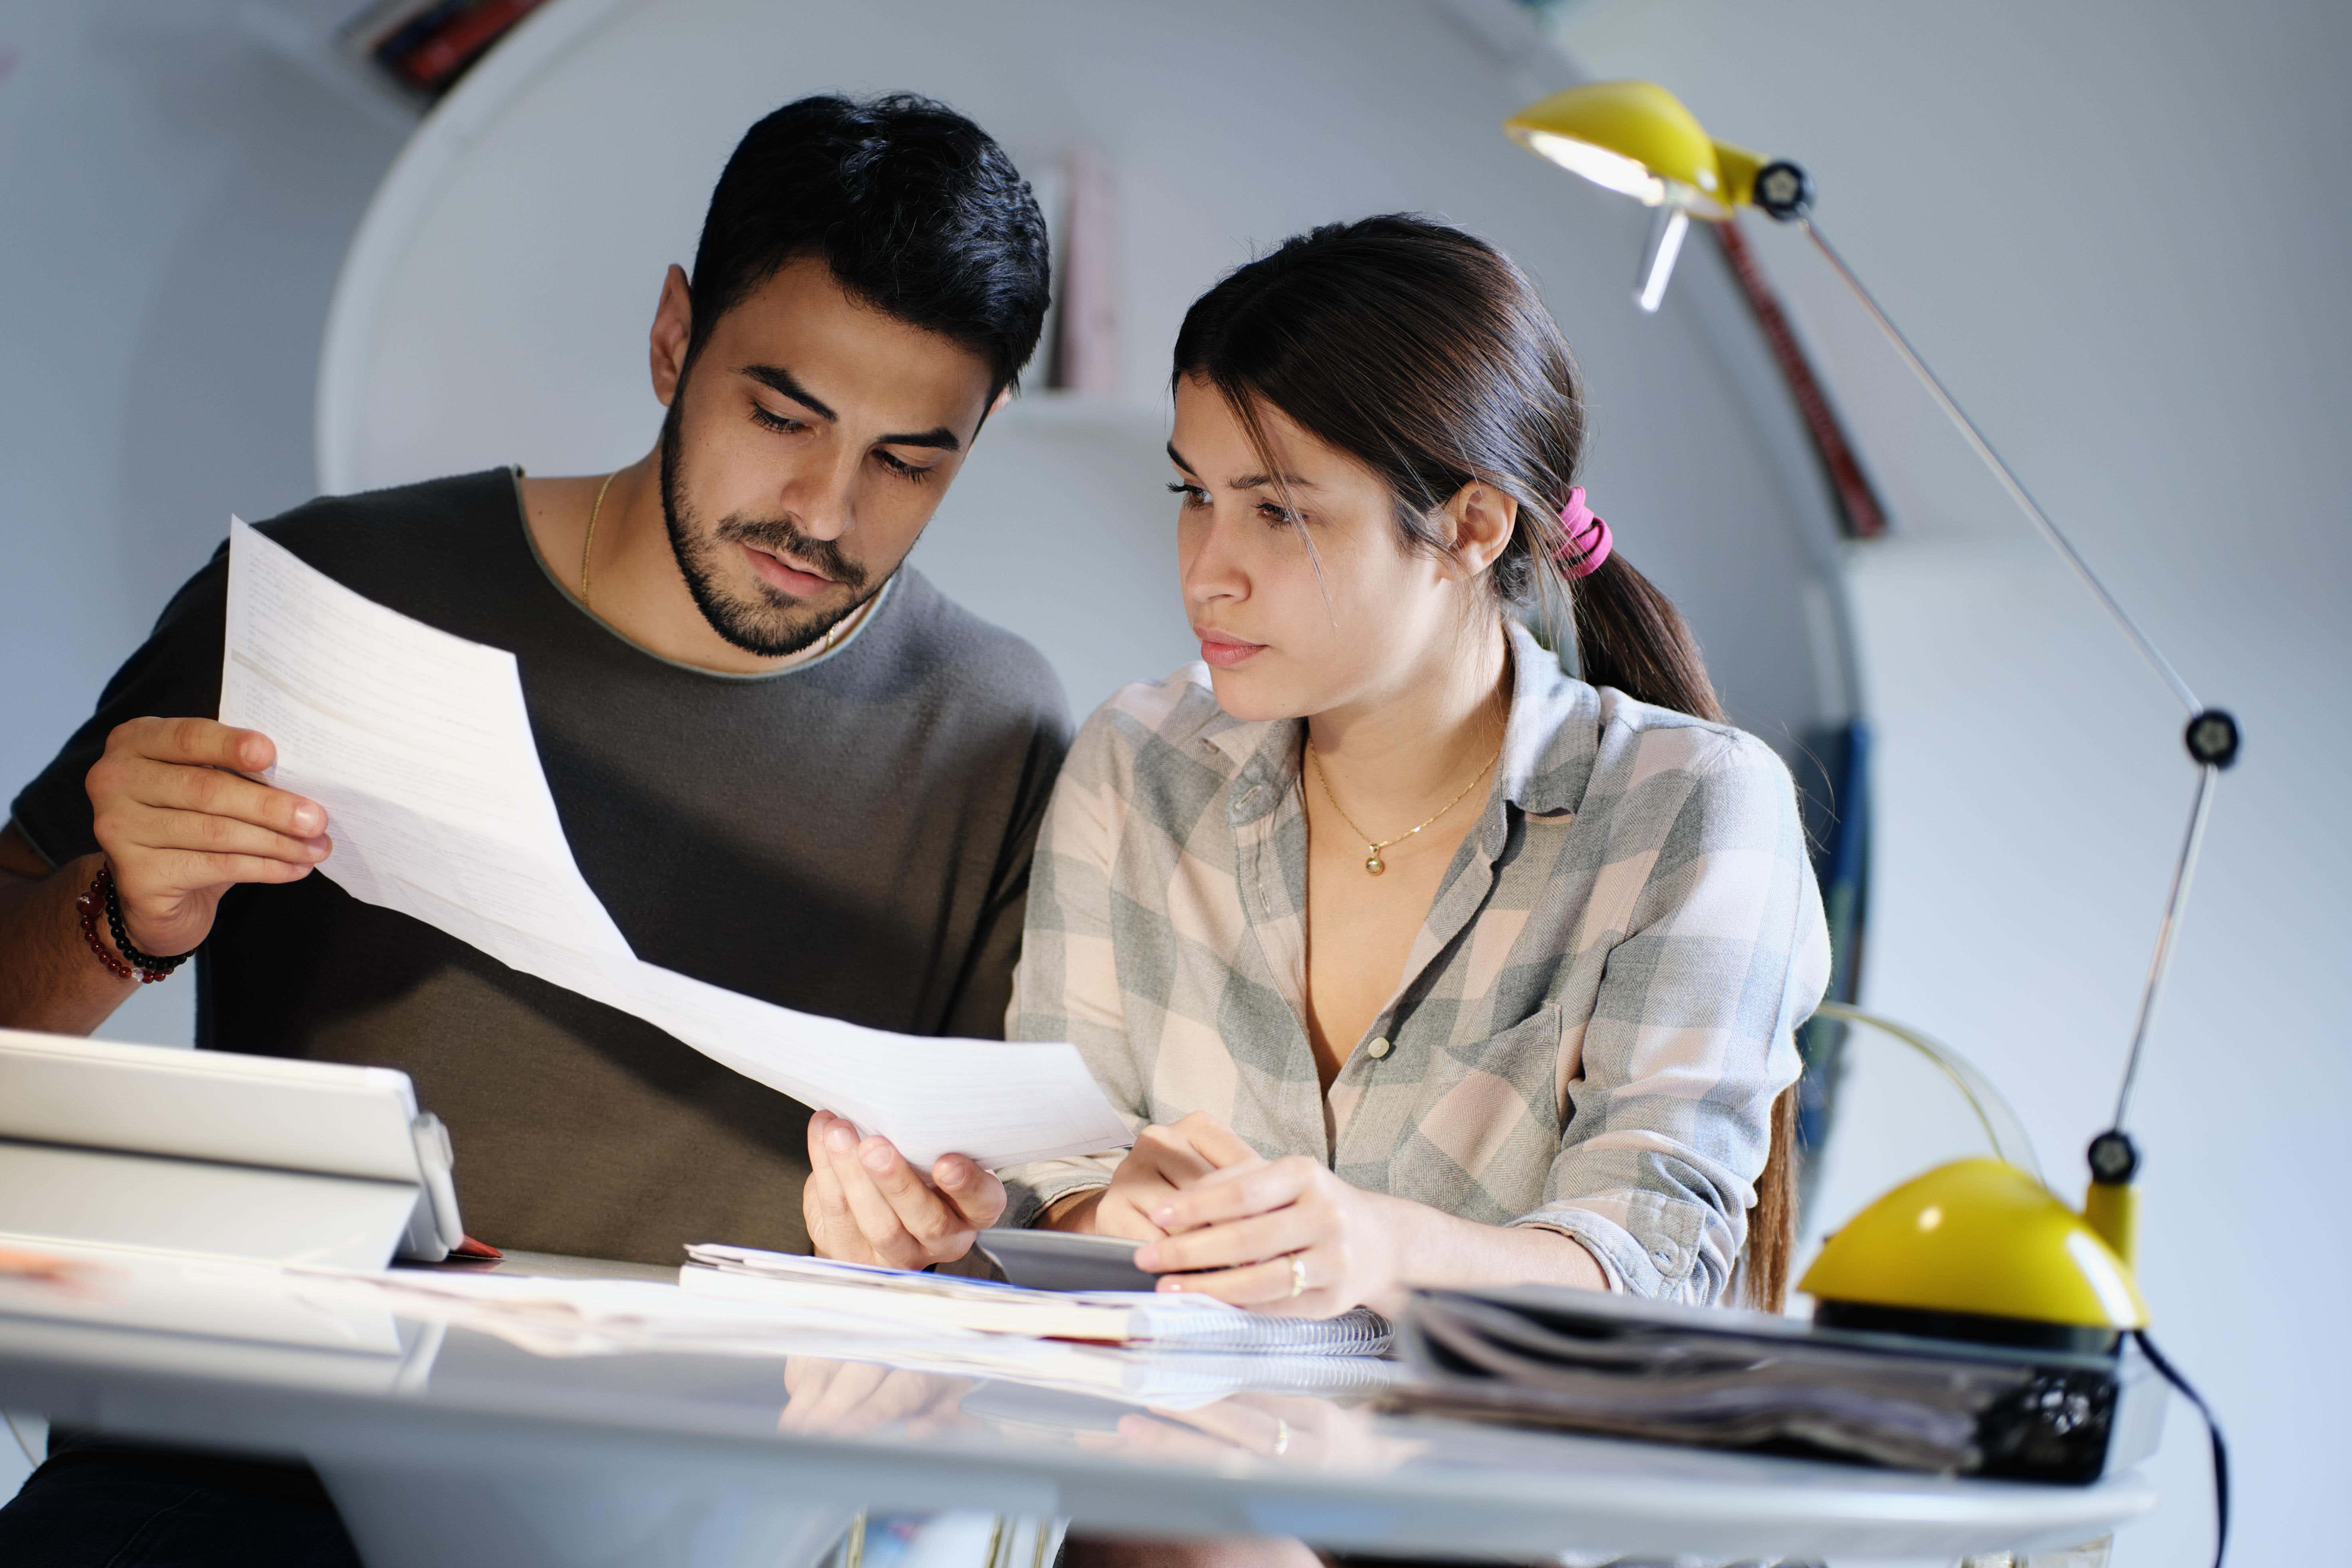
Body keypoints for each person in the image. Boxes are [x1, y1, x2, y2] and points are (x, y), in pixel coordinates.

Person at [0, 92, 1059, 1565]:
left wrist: (940, 1239)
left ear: (982, 433)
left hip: (691, 1501)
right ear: (673, 340)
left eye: (907, 460)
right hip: (246, 1472)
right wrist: (123, 916)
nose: (825, 512)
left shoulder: (996, 732)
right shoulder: (332, 589)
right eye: (780, 417)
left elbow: (1017, 1217)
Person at [804, 214, 1831, 1326]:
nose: (1209, 572)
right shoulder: (1138, 763)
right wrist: (1108, 1218)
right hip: (1163, 1439)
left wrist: (1386, 1251)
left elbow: (1659, 1265)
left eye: (1278, 511)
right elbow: (1052, 1186)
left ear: (1471, 527)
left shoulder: (1689, 807)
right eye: (1194, 496)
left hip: (1491, 1443)